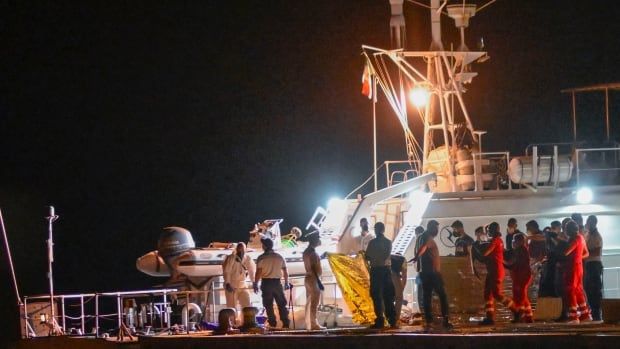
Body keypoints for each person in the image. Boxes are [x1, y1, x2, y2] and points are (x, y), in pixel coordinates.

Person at [412, 220, 453, 330]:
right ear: (431, 228)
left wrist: (417, 257)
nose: (437, 231)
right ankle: (446, 319)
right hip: (433, 273)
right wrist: (417, 257)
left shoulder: (421, 237)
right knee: (442, 295)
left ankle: (429, 321)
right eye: (436, 228)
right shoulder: (427, 237)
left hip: (425, 273)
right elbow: (424, 248)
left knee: (427, 296)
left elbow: (421, 249)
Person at [477, 222, 518, 325]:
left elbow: (485, 253)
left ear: (494, 230)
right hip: (492, 271)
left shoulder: (496, 240)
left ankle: (516, 311)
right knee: (488, 294)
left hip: (496, 271)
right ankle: (490, 318)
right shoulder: (497, 240)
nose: (488, 231)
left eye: (489, 229)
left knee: (497, 294)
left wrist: (478, 247)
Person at [365, 222, 397, 329]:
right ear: (383, 229)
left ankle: (380, 320)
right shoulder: (388, 242)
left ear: (376, 230)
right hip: (386, 271)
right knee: (388, 295)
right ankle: (392, 319)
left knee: (376, 296)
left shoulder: (372, 243)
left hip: (376, 270)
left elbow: (367, 257)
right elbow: (387, 256)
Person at [254, 238, 291, 329]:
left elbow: (258, 272)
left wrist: (255, 283)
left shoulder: (261, 258)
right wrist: (286, 282)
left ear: (265, 246)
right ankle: (285, 323)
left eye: (263, 245)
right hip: (277, 283)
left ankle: (272, 324)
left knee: (268, 304)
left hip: (266, 283)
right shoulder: (279, 256)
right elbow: (285, 271)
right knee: (282, 304)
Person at [563, 220, 592, 323]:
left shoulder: (575, 239)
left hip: (572, 268)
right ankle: (585, 315)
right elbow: (586, 253)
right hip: (579, 267)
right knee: (579, 290)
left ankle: (574, 316)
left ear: (569, 230)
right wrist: (578, 257)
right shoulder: (582, 238)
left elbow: (566, 252)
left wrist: (561, 243)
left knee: (571, 290)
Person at [504, 233, 533, 323]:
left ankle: (520, 316)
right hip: (521, 276)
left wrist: (503, 264)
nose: (513, 242)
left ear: (520, 241)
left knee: (519, 296)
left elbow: (514, 264)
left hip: (521, 276)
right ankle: (528, 316)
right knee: (522, 295)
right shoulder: (521, 250)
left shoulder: (520, 251)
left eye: (514, 240)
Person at [222, 242, 256, 311]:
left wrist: (254, 282)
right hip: (231, 285)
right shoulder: (231, 258)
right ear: (237, 249)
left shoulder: (247, 258)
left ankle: (246, 321)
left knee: (247, 305)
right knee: (231, 307)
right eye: (239, 249)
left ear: (245, 250)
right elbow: (226, 271)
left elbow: (251, 271)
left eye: (242, 249)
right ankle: (233, 321)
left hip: (243, 286)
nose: (241, 251)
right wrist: (227, 283)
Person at [303, 232, 325, 330]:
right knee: (314, 303)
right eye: (317, 239)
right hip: (313, 279)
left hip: (307, 278)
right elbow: (314, 268)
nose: (319, 240)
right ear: (314, 240)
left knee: (309, 302)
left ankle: (309, 324)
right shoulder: (313, 253)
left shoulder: (306, 252)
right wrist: (319, 282)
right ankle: (314, 324)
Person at [584, 215, 603, 321]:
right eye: (587, 222)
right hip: (588, 264)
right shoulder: (587, 234)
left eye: (590, 222)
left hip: (594, 265)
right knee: (588, 289)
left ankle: (597, 314)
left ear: (594, 223)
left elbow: (596, 251)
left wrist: (585, 252)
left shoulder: (597, 236)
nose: (588, 224)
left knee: (594, 290)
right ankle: (592, 312)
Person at [390, 253, 407, 323]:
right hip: (393, 274)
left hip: (383, 273)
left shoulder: (391, 256)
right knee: (399, 298)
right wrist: (401, 289)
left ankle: (388, 317)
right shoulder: (403, 259)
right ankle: (395, 319)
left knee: (387, 297)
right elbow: (404, 276)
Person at [413, 226, 425, 314]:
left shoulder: (419, 238)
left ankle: (423, 311)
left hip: (421, 271)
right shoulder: (424, 239)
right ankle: (425, 312)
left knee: (421, 293)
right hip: (422, 270)